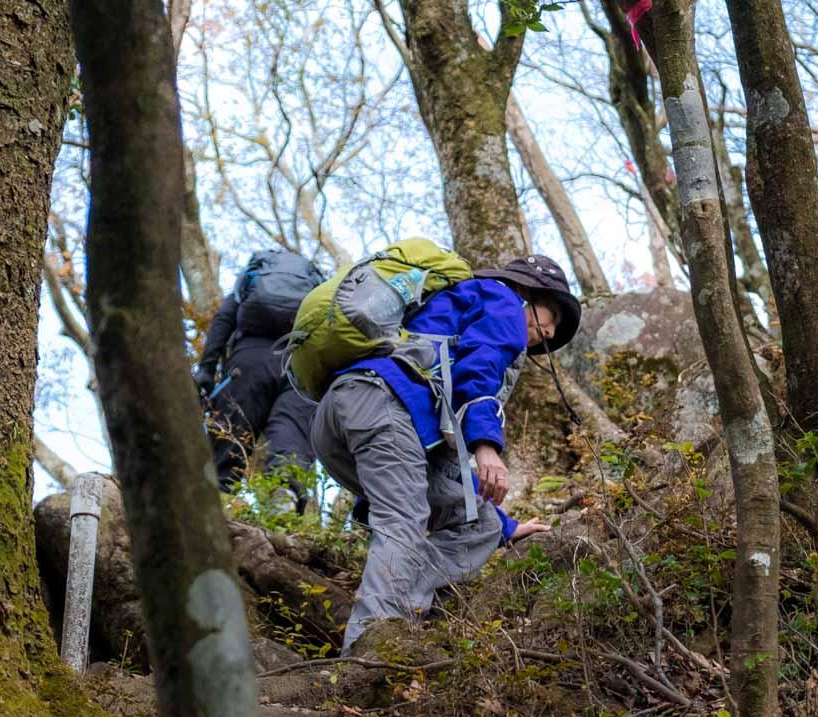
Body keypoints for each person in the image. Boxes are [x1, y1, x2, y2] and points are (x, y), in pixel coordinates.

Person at [310, 254, 581, 653]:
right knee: (402, 523)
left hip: (341, 413)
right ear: (528, 291)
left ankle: (396, 596)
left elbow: (441, 469)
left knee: (480, 524)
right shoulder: (503, 299)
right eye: (550, 314)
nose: (548, 330)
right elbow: (482, 367)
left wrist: (507, 527)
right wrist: (486, 446)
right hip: (385, 405)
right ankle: (369, 655)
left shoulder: (454, 305)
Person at [193, 250, 323, 514]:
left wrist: (206, 369)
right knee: (292, 433)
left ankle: (217, 502)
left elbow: (223, 319)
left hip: (249, 360)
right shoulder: (315, 287)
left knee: (232, 431)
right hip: (300, 366)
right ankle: (284, 493)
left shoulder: (250, 280)